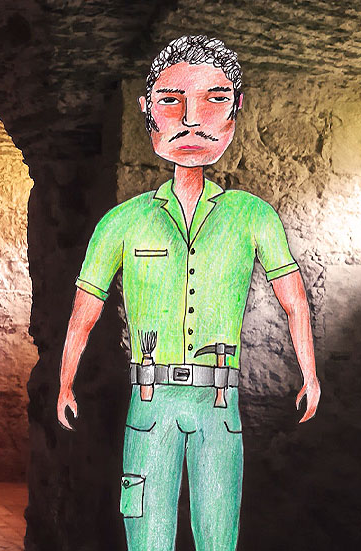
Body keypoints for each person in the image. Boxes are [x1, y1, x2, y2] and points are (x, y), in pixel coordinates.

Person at [55, 35, 321, 551]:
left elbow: (294, 300)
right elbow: (83, 311)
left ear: (236, 108)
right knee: (146, 533)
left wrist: (309, 374)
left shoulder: (252, 215)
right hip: (149, 401)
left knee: (218, 534)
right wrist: (65, 382)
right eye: (171, 100)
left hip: (218, 402)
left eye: (214, 99)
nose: (191, 120)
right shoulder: (122, 222)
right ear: (147, 109)